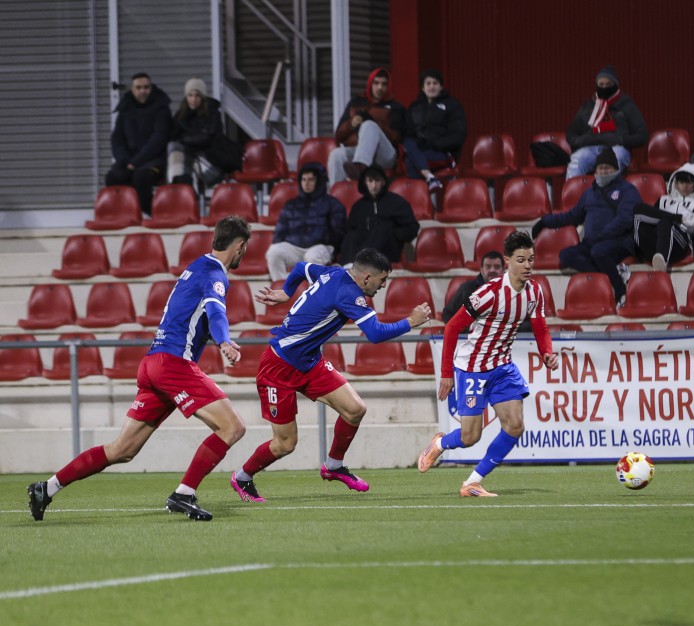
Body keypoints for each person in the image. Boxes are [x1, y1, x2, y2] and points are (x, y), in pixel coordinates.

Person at [26, 217, 253, 522]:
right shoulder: (214, 274)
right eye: (244, 248)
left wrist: (218, 337)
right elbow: (215, 311)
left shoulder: (195, 267)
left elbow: (194, 318)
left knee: (122, 450)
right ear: (239, 247)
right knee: (233, 427)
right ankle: (184, 493)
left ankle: (47, 488)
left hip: (153, 364)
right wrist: (224, 341)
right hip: (173, 364)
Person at [230, 249, 431, 502]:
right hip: (278, 367)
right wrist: (410, 322)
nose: (383, 286)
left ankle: (333, 465)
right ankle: (243, 477)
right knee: (285, 444)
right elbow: (375, 333)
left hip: (310, 363)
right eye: (382, 280)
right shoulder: (349, 294)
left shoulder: (331, 272)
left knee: (355, 409)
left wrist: (287, 292)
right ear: (367, 277)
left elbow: (301, 267)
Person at [415, 231, 559, 497]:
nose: (528, 265)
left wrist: (546, 352)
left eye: (531, 260)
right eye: (521, 260)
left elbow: (541, 327)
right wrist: (447, 374)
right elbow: (451, 328)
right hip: (472, 368)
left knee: (515, 426)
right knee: (470, 437)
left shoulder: (535, 292)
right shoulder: (489, 293)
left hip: (502, 367)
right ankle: (442, 442)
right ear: (507, 261)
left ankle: (472, 482)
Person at [530, 148, 640, 306]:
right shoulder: (589, 193)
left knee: (598, 251)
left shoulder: (627, 190)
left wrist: (602, 236)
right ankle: (611, 276)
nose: (603, 172)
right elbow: (572, 216)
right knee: (566, 255)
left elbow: (625, 219)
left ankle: (619, 289)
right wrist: (545, 221)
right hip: (593, 242)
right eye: (601, 168)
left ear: (616, 170)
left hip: (620, 241)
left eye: (608, 168)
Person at [265, 163, 346, 280]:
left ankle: (314, 295)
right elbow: (279, 233)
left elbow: (338, 233)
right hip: (295, 247)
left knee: (312, 257)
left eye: (311, 180)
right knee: (273, 252)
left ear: (319, 182)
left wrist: (319, 238)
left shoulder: (333, 204)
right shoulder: (290, 205)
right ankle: (282, 291)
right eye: (303, 179)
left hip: (321, 246)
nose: (306, 183)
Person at [565, 65, 649, 178]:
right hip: (591, 147)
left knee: (610, 164)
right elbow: (571, 133)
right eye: (601, 85)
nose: (604, 88)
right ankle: (573, 195)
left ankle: (607, 195)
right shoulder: (588, 106)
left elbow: (642, 135)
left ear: (615, 85)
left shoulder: (626, 105)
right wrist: (580, 141)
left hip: (617, 148)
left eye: (608, 84)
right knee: (577, 161)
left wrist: (621, 139)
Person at [106, 72, 172, 215]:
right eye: (139, 87)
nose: (143, 91)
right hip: (128, 159)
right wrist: (123, 160)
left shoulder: (161, 107)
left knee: (141, 178)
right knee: (113, 177)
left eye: (146, 87)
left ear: (151, 88)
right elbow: (117, 138)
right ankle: (123, 215)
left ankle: (152, 214)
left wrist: (135, 163)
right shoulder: (125, 108)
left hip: (153, 160)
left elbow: (158, 140)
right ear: (132, 89)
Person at [328, 67, 407, 185]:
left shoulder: (395, 107)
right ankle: (336, 197)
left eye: (384, 84)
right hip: (359, 150)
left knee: (369, 125)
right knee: (336, 155)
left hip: (385, 154)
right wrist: (351, 124)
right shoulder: (356, 103)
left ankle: (360, 167)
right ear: (370, 84)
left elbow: (397, 138)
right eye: (376, 83)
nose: (380, 87)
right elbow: (338, 137)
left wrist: (376, 124)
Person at [167, 77, 242, 191]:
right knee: (174, 148)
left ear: (202, 97)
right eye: (190, 95)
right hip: (191, 156)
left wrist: (184, 139)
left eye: (197, 95)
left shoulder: (212, 113)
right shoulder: (181, 115)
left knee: (184, 155)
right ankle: (179, 180)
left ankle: (183, 184)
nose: (193, 99)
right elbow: (172, 135)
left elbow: (207, 138)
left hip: (211, 157)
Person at [337, 164, 419, 266]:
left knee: (382, 230)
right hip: (360, 250)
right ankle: (348, 266)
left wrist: (392, 233)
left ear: (383, 182)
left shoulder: (396, 202)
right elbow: (349, 231)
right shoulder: (359, 206)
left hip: (388, 250)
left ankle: (359, 263)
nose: (374, 185)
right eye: (370, 181)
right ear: (365, 182)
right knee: (352, 236)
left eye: (377, 181)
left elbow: (412, 228)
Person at [632, 163, 694, 271]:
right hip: (656, 242)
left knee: (665, 222)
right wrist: (680, 219)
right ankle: (647, 255)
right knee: (638, 211)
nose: (684, 186)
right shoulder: (663, 200)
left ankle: (662, 263)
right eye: (681, 182)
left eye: (688, 182)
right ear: (676, 184)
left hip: (680, 245)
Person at [402, 70, 468, 192]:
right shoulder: (415, 107)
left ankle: (419, 201)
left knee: (410, 160)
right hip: (421, 152)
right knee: (408, 142)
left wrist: (434, 143)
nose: (432, 86)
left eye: (435, 83)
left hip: (442, 153)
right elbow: (408, 132)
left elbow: (459, 134)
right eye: (428, 83)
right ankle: (430, 178)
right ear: (422, 87)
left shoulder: (452, 105)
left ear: (441, 86)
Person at [442, 250, 506, 322]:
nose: (492, 270)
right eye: (488, 267)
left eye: (497, 267)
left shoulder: (513, 290)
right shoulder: (466, 289)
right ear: (481, 270)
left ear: (503, 270)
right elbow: (448, 314)